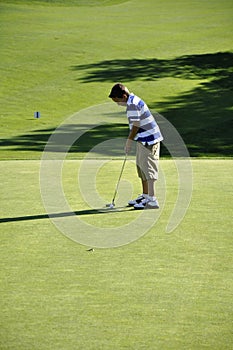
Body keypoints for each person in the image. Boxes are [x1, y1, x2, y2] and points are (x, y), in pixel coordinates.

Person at [109, 83, 163, 210]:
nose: (117, 104)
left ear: (123, 96)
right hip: (143, 139)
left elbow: (136, 125)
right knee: (142, 168)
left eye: (117, 101)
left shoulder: (132, 104)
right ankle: (146, 195)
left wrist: (129, 141)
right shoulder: (132, 101)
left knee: (149, 169)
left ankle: (152, 200)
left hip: (149, 140)